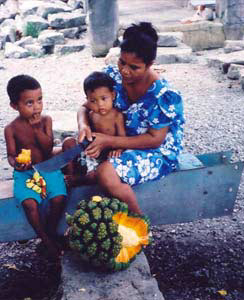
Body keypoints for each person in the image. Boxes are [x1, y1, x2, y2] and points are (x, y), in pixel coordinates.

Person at [77, 22, 185, 215]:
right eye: (122, 62)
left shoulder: (163, 95)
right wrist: (83, 124)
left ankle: (140, 225)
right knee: (68, 148)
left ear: (150, 65)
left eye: (134, 67)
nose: (125, 71)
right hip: (117, 142)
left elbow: (155, 139)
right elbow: (84, 107)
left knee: (105, 173)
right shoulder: (112, 77)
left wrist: (108, 140)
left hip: (155, 151)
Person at [4, 74, 67, 259]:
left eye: (39, 100)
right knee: (29, 203)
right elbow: (10, 155)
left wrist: (38, 129)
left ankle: (50, 230)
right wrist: (16, 163)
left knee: (59, 198)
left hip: (46, 166)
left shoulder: (46, 121)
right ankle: (45, 239)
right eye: (29, 103)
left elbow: (47, 149)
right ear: (15, 106)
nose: (37, 107)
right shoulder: (11, 129)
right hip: (25, 173)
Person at [64, 71, 126, 186]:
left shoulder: (117, 116)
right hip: (89, 150)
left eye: (103, 98)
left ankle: (78, 180)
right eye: (93, 101)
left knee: (94, 176)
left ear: (113, 95)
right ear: (87, 99)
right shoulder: (92, 113)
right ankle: (70, 174)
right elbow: (86, 132)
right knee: (68, 142)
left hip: (103, 156)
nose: (100, 104)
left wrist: (118, 150)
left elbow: (122, 137)